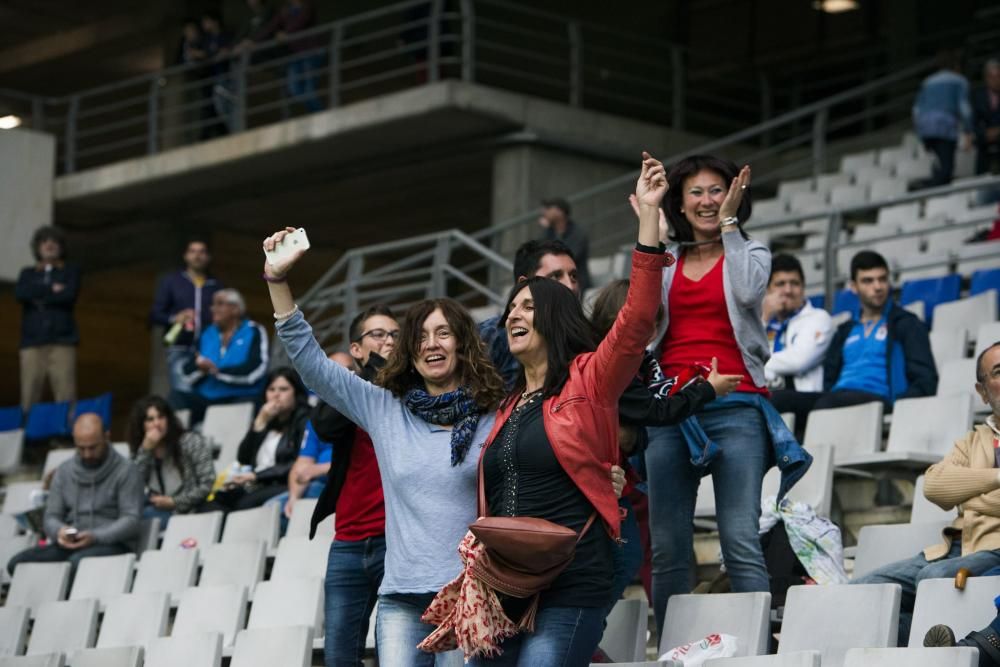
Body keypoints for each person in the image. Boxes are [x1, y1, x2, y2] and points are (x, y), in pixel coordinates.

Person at [411, 152, 663, 664]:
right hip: (506, 582)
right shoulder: (506, 403)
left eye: (528, 307)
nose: (513, 316)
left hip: (574, 576)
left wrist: (651, 219)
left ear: (553, 316)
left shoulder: (590, 379)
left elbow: (637, 317)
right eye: (511, 309)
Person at [262, 230, 505, 666]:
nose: (432, 344)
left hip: (468, 594)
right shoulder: (385, 409)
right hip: (400, 600)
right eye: (421, 337)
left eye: (444, 333)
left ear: (462, 344)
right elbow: (313, 367)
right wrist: (277, 282)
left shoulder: (493, 413)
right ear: (409, 353)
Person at [644, 154, 810, 633]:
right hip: (673, 412)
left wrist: (731, 224)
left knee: (739, 536)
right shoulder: (668, 260)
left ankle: (755, 649)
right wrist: (648, 222)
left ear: (733, 195)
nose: (706, 201)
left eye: (716, 190)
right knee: (668, 545)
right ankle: (673, 648)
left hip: (737, 407)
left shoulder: (752, 251)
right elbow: (642, 310)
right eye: (695, 192)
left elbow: (745, 292)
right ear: (680, 201)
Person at [588, 278, 741, 637]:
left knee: (626, 559)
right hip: (592, 483)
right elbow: (657, 411)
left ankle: (587, 635)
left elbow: (650, 403)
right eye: (641, 323)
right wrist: (706, 390)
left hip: (618, 479)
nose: (651, 332)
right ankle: (584, 636)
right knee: (615, 563)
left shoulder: (641, 359)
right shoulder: (612, 364)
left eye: (654, 323)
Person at [853, 341, 1000, 646]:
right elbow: (935, 486)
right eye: (999, 373)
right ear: (983, 391)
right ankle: (929, 640)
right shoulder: (971, 441)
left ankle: (941, 645)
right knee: (861, 591)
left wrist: (967, 492)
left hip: (995, 549)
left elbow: (953, 490)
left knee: (933, 578)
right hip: (953, 547)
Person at [308, 306, 398, 667]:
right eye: (378, 335)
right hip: (347, 543)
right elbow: (325, 427)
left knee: (395, 655)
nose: (389, 341)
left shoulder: (413, 394)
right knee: (339, 658)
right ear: (357, 349)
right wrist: (373, 370)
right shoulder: (349, 391)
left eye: (395, 335)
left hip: (396, 542)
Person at [774, 250, 938, 431]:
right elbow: (830, 377)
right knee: (775, 400)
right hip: (836, 397)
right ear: (853, 286)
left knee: (826, 407)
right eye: (868, 281)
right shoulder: (845, 330)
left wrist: (900, 404)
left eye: (882, 279)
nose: (877, 287)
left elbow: (926, 379)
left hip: (880, 399)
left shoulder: (906, 324)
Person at [7, 414, 143, 575]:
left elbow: (131, 520)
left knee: (75, 564)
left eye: (93, 447)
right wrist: (60, 531)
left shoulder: (126, 470)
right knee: (17, 564)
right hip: (71, 544)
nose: (86, 454)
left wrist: (95, 536)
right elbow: (51, 516)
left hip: (113, 544)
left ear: (106, 437)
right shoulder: (64, 471)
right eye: (81, 448)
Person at [478, 239, 580, 389]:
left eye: (573, 276)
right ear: (524, 285)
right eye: (555, 276)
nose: (570, 286)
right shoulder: (492, 336)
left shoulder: (587, 340)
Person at [208, 367, 311, 511]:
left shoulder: (305, 420)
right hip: (257, 484)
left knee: (244, 505)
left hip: (284, 483)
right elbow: (243, 458)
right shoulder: (266, 421)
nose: (276, 395)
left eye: (283, 389)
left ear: (296, 393)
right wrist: (259, 422)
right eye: (271, 389)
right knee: (214, 502)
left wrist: (256, 476)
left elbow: (297, 462)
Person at [763, 254, 834, 436]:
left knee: (774, 400)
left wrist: (757, 362)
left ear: (803, 287)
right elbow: (741, 358)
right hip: (769, 394)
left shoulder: (818, 318)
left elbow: (798, 360)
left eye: (794, 283)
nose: (788, 290)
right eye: (780, 284)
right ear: (768, 289)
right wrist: (763, 318)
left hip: (805, 399)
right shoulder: (762, 324)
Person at [149, 238, 222, 411]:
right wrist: (175, 318)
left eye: (202, 252)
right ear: (185, 256)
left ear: (208, 257)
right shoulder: (172, 281)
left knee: (207, 388)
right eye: (193, 251)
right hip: (179, 345)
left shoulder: (215, 285)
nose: (197, 256)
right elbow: (155, 314)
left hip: (207, 347)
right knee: (182, 389)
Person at [179, 288, 269, 425]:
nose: (213, 309)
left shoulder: (254, 331)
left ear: (236, 309)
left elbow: (255, 369)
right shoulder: (207, 333)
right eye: (213, 304)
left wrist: (216, 372)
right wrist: (200, 368)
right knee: (176, 398)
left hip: (241, 395)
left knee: (247, 407)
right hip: (206, 396)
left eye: (220, 304)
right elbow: (187, 371)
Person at [16, 226, 81, 414]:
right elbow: (21, 293)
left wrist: (37, 294)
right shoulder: (27, 273)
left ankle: (67, 437)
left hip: (62, 341)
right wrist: (51, 289)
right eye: (45, 241)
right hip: (32, 343)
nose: (49, 245)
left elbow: (68, 296)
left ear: (61, 247)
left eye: (54, 241)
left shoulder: (71, 271)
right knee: (28, 394)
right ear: (37, 247)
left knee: (66, 394)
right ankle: (25, 438)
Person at [127, 396, 215, 527]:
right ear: (141, 425)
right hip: (155, 507)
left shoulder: (191, 441)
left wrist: (175, 502)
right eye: (150, 419)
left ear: (168, 419)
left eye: (161, 417)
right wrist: (145, 451)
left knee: (135, 520)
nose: (157, 423)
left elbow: (208, 484)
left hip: (186, 511)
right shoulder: (141, 449)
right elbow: (132, 487)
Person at [913, 48, 974, 187]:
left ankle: (929, 188)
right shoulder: (960, 81)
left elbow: (916, 110)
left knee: (940, 165)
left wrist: (920, 132)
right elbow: (964, 107)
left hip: (925, 129)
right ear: (956, 66)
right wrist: (968, 131)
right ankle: (924, 188)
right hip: (944, 127)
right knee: (947, 168)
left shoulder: (927, 82)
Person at [254, 0, 324, 113]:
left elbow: (301, 22)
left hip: (311, 53)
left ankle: (320, 116)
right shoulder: (286, 10)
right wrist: (253, 42)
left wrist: (286, 33)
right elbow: (271, 27)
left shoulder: (307, 6)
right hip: (296, 55)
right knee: (295, 89)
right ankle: (318, 114)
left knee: (309, 90)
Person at [538, 198, 591, 292]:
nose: (545, 212)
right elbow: (540, 253)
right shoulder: (549, 232)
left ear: (560, 212)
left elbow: (568, 258)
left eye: (549, 208)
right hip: (554, 281)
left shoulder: (577, 233)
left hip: (575, 282)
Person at [973, 58, 1000, 176]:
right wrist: (984, 133)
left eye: (998, 76)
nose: (996, 80)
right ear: (986, 78)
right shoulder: (978, 97)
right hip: (984, 147)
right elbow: (974, 121)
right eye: (992, 77)